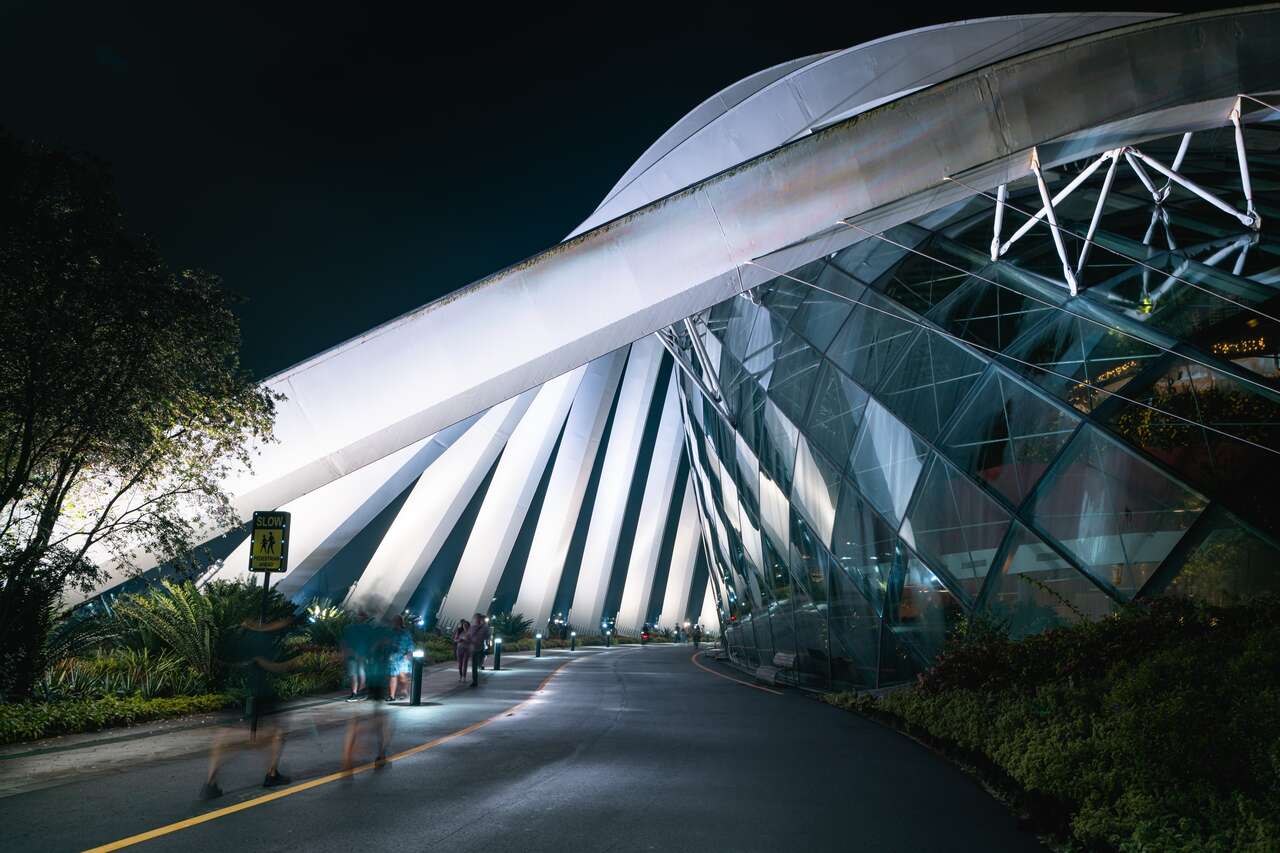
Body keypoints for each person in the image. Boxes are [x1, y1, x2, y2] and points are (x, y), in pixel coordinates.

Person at [201, 615, 296, 799]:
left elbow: (222, 658)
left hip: (235, 691)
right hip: (259, 691)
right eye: (282, 620)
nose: (283, 623)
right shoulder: (264, 639)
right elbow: (271, 665)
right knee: (276, 731)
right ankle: (271, 773)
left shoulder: (239, 635)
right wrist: (286, 665)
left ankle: (210, 782)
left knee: (225, 734)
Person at [344, 619, 393, 770]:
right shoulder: (380, 633)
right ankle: (380, 755)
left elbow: (349, 651)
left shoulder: (354, 630)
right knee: (380, 719)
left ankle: (348, 760)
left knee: (356, 721)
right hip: (376, 680)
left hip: (369, 681)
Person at [343, 611, 370, 702]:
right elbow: (345, 641)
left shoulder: (367, 628)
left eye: (361, 616)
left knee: (361, 672)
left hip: (362, 654)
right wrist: (346, 651)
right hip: (352, 654)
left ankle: (361, 692)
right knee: (353, 673)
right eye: (358, 615)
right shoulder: (349, 628)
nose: (359, 617)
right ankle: (354, 693)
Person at [387, 615, 414, 701]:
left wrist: (409, 654)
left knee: (402, 676)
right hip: (393, 657)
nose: (394, 623)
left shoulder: (405, 633)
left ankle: (404, 691)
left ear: (400, 622)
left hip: (403, 656)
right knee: (393, 675)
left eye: (395, 621)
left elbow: (410, 644)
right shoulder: (391, 632)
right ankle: (392, 696)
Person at [466, 613, 490, 687]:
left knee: (477, 665)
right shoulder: (475, 627)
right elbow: (487, 637)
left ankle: (476, 679)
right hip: (476, 649)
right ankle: (475, 680)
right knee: (475, 665)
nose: (476, 619)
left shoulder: (483, 627)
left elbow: (487, 637)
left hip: (478, 648)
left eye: (476, 618)